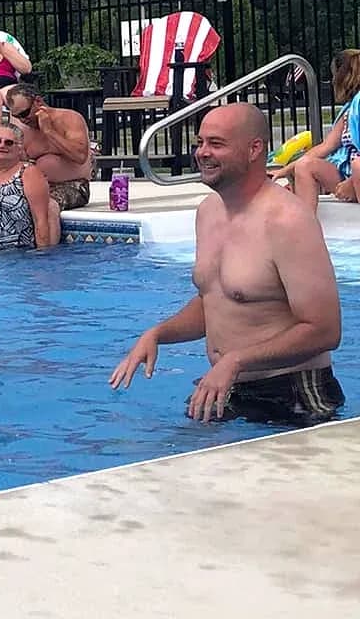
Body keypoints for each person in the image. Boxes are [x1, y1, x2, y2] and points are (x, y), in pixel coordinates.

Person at [110, 103, 344, 425]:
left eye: (216, 144)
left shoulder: (288, 221)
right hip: (227, 385)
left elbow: (325, 330)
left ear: (254, 149)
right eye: (200, 142)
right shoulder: (208, 213)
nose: (202, 153)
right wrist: (158, 333)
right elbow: (217, 298)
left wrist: (236, 360)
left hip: (294, 393)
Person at [269, 48, 360, 210]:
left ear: (343, 76)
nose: (332, 81)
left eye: (334, 76)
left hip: (356, 174)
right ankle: (306, 222)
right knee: (305, 165)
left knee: (358, 165)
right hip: (350, 174)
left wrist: (352, 181)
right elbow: (326, 146)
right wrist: (286, 169)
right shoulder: (349, 109)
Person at [0, 123, 59, 251]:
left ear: (20, 148)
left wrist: (42, 256)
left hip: (17, 253)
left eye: (9, 143)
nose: (1, 145)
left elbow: (41, 221)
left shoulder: (29, 173)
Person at [5, 84, 95, 210]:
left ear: (38, 102)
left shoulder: (69, 118)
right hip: (35, 185)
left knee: (46, 205)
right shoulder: (22, 130)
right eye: (17, 116)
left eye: (25, 113)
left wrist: (49, 132)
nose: (23, 120)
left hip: (72, 185)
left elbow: (80, 156)